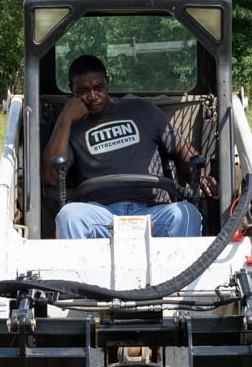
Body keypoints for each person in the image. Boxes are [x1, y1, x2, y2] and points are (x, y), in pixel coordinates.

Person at [41, 55, 214, 239]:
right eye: (83, 90)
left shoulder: (142, 110)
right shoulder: (71, 126)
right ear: (71, 90)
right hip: (101, 214)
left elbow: (181, 149)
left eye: (98, 87)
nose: (92, 96)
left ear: (107, 82)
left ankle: (189, 269)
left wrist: (202, 176)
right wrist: (65, 119)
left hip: (153, 210)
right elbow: (51, 178)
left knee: (186, 213)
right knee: (69, 216)